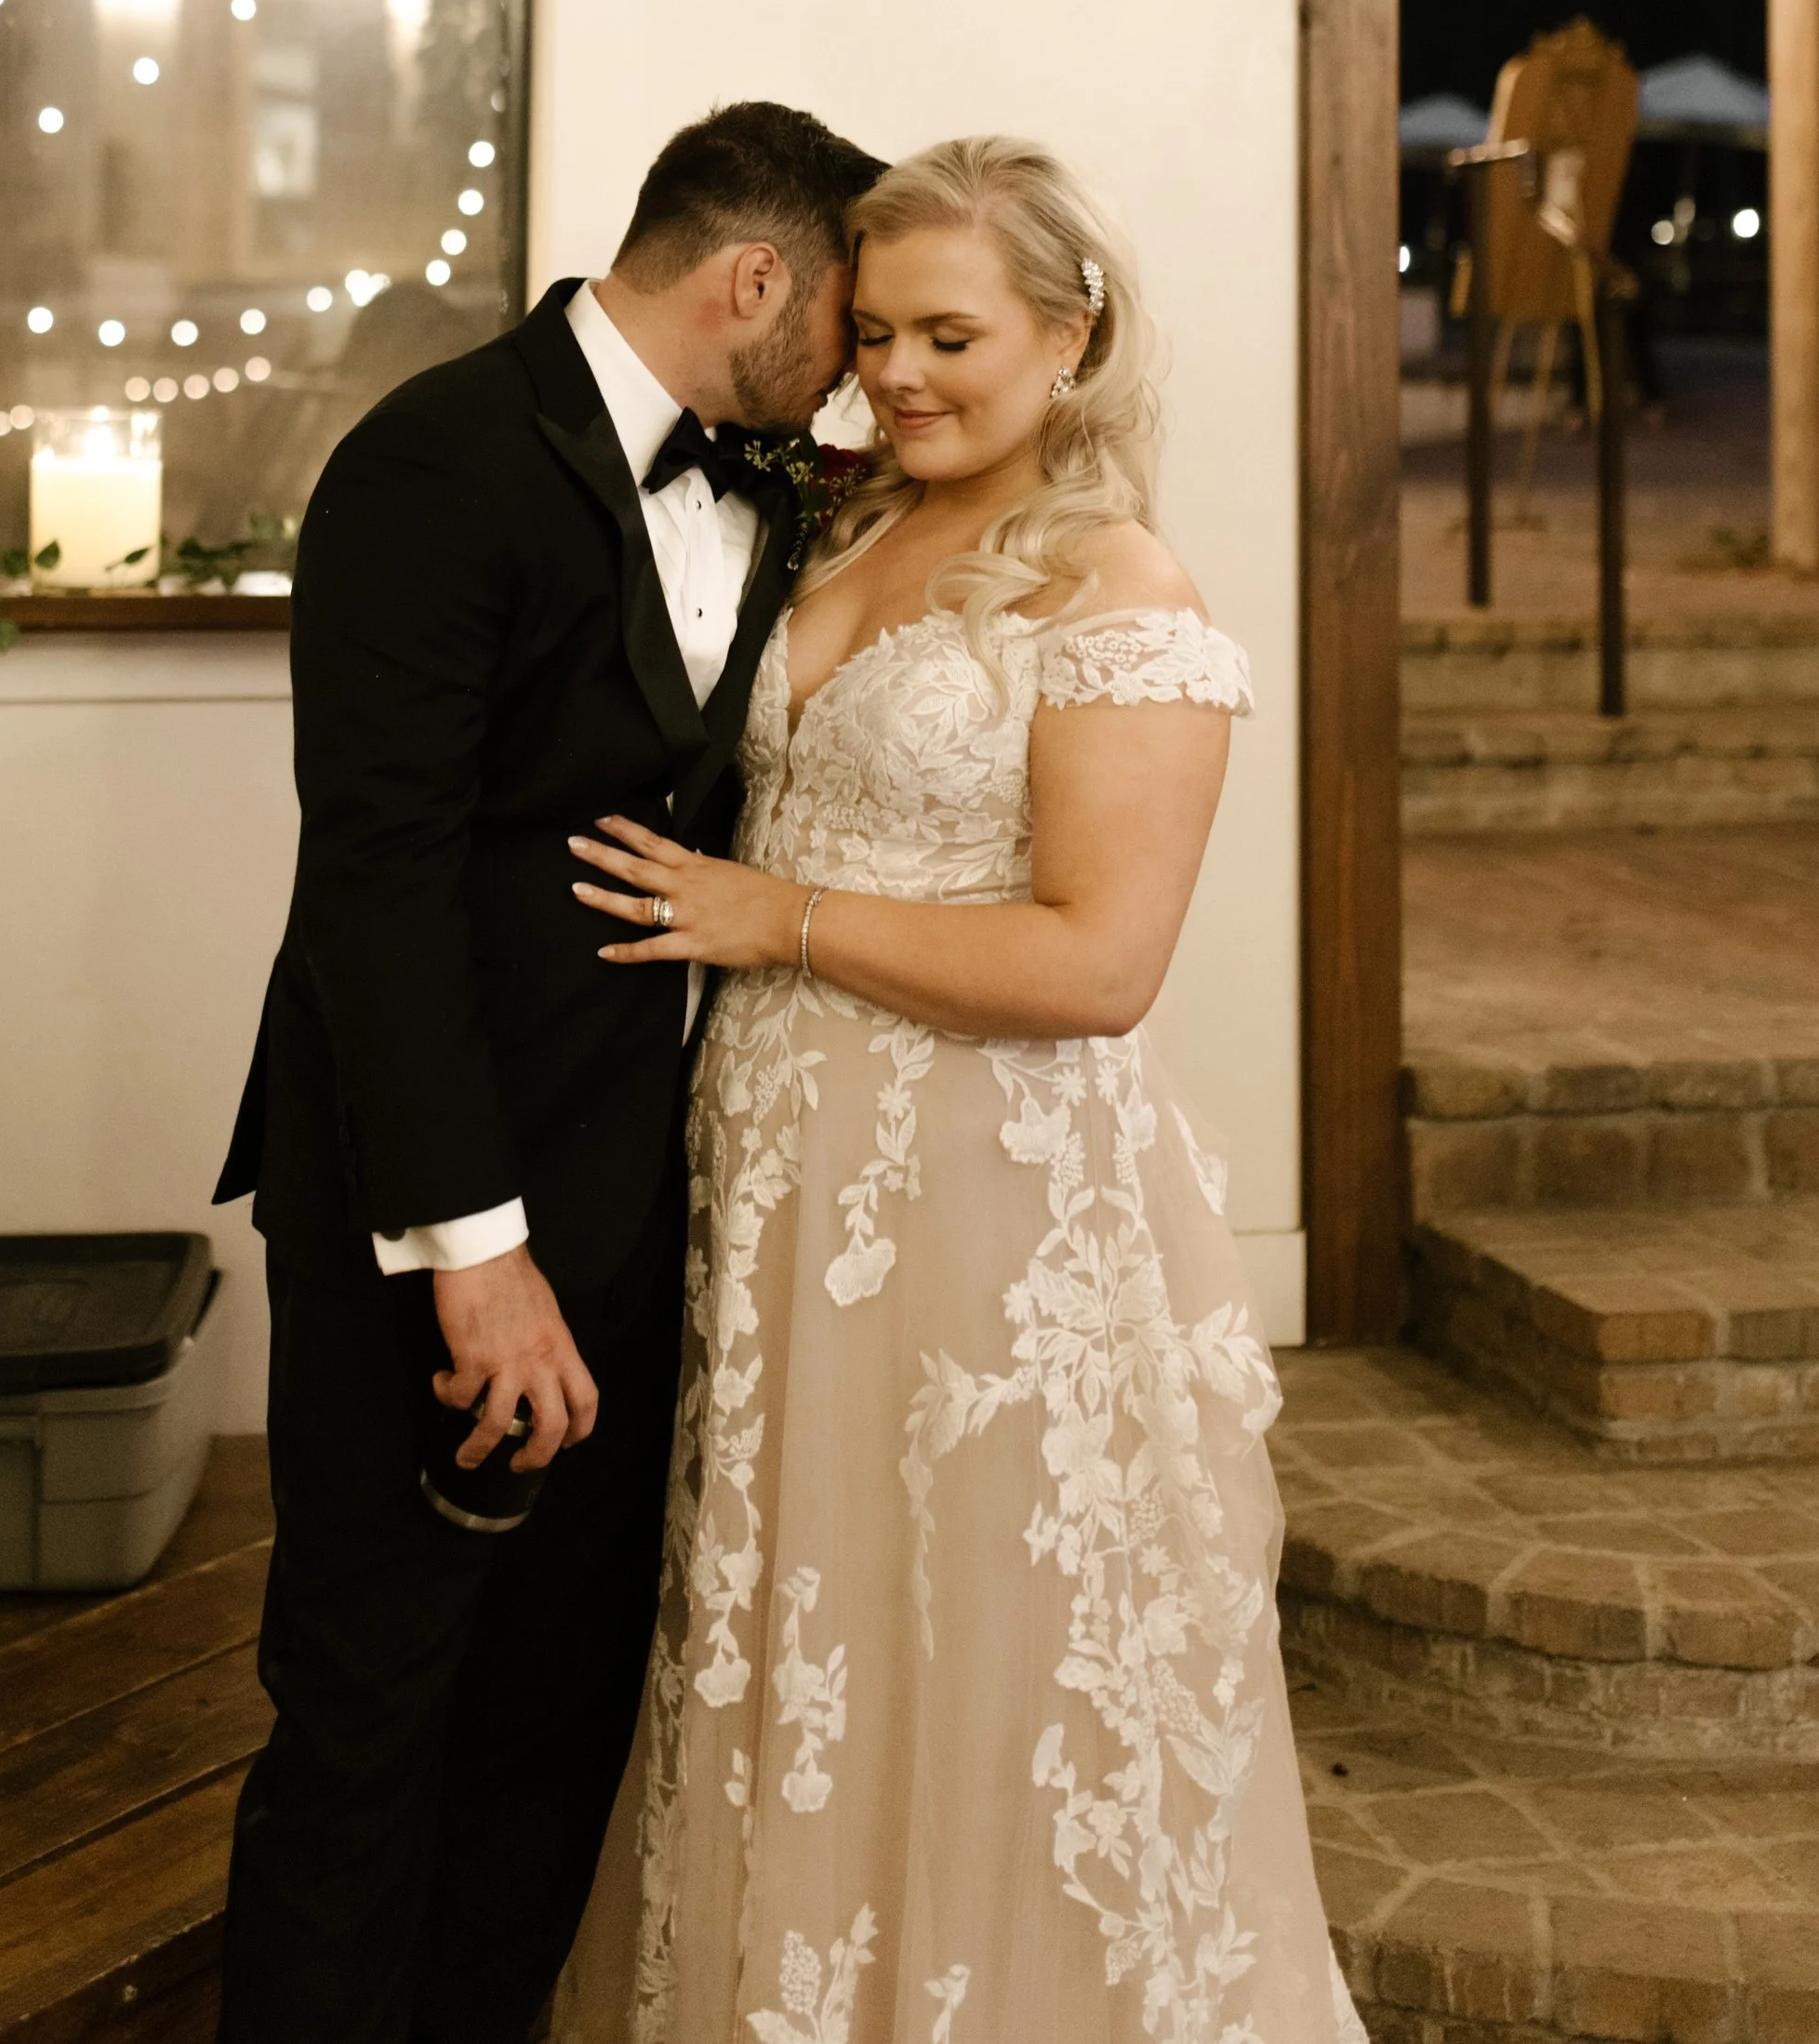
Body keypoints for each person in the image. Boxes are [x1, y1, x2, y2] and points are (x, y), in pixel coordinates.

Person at [555, 139, 1365, 2044]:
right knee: (796, 1635)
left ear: (1066, 339)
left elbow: (1097, 964)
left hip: (984, 1217)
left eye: (951, 335)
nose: (899, 375)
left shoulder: (1112, 581)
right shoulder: (830, 524)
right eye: (879, 335)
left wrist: (780, 918)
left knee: (986, 1651)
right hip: (776, 1191)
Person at [213, 100, 884, 2044]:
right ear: (754, 280)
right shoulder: (432, 463)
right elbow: (377, 883)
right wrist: (472, 1252)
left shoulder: (765, 481)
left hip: (641, 1197)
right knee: (368, 1708)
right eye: (841, 323)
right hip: (422, 1208)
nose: (843, 374)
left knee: (556, 1719)